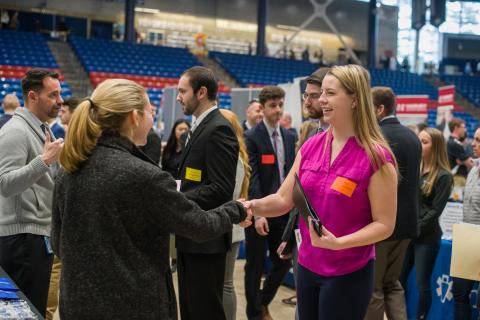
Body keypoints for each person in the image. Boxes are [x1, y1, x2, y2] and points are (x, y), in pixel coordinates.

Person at [51, 79, 251, 320]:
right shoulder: (144, 176)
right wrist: (236, 209)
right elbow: (200, 226)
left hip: (78, 303)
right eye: (150, 111)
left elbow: (59, 241)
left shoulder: (68, 169)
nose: (151, 117)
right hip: (134, 304)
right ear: (135, 117)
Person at [242, 65, 398, 320]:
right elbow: (283, 199)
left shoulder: (376, 157)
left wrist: (340, 243)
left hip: (348, 272)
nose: (320, 99)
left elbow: (385, 224)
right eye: (320, 92)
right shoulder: (312, 145)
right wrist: (248, 207)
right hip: (308, 267)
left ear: (355, 99)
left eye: (330, 93)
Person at [176, 66, 240, 320]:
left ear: (201, 92)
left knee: (206, 312)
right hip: (191, 235)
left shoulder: (218, 129)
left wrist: (176, 198)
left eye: (183, 91)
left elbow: (221, 188)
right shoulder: (200, 127)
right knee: (191, 310)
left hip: (207, 240)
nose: (178, 96)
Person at [0, 69, 64, 316]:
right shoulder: (16, 131)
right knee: (25, 312)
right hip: (21, 239)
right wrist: (44, 161)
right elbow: (4, 183)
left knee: (34, 309)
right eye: (53, 94)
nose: (60, 100)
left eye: (59, 94)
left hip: (35, 235)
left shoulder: (41, 129)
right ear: (33, 96)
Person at [365, 86, 422, 320]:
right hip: (408, 224)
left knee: (374, 288)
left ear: (379, 109)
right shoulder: (413, 136)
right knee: (393, 284)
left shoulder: (377, 138)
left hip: (382, 225)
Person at [244, 86, 296, 320]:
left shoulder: (289, 135)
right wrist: (258, 212)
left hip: (284, 210)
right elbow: (252, 177)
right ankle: (254, 314)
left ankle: (262, 301)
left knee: (283, 261)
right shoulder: (252, 137)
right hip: (261, 210)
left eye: (280, 105)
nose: (277, 110)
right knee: (254, 265)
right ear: (262, 108)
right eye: (272, 106)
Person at [400, 128, 453, 320]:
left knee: (422, 283)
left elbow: (435, 211)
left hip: (427, 238)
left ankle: (420, 317)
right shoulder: (415, 169)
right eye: (419, 140)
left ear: (436, 146)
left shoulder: (444, 176)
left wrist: (416, 227)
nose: (419, 145)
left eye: (424, 142)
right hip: (409, 235)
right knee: (398, 280)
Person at [220, 109, 251, 320]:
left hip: (230, 227)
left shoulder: (235, 158)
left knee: (226, 284)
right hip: (228, 223)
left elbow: (229, 194)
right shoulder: (233, 156)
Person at [452, 128, 480, 320]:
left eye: (478, 140)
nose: (473, 143)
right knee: (460, 293)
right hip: (468, 241)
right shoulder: (473, 169)